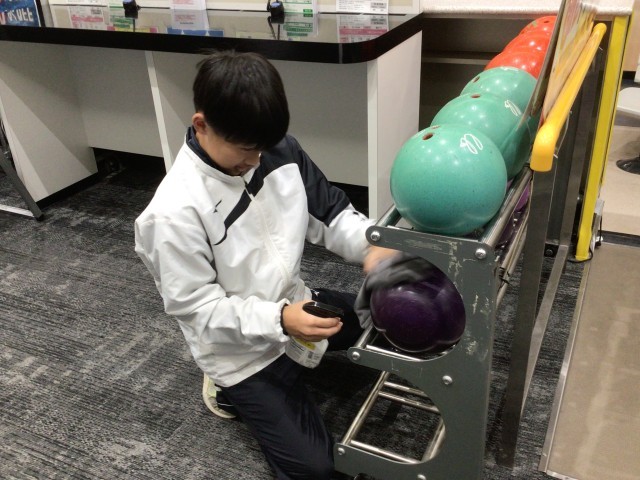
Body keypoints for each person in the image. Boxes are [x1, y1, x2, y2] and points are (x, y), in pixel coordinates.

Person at [134, 50, 394, 480]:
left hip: (296, 304)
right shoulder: (172, 214)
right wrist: (279, 320)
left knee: (388, 319)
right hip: (241, 353)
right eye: (245, 149)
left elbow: (331, 213)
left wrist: (372, 247)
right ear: (201, 125)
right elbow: (197, 309)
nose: (256, 161)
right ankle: (227, 390)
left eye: (263, 148)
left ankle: (298, 351)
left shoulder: (278, 150)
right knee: (320, 471)